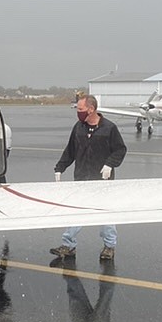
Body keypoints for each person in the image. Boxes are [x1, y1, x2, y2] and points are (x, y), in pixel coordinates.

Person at [50, 95, 127, 260]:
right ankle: (68, 245)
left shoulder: (109, 128)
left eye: (80, 109)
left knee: (105, 214)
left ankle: (109, 246)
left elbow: (120, 149)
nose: (78, 113)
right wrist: (60, 168)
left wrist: (110, 164)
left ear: (91, 109)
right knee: (77, 212)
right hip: (81, 179)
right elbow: (70, 150)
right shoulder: (78, 127)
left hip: (102, 182)